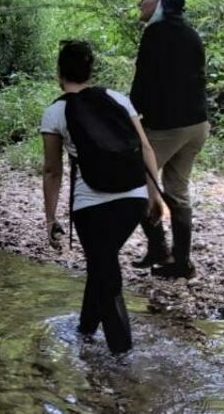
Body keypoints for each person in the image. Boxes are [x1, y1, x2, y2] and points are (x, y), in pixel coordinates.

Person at [40, 40, 165, 354]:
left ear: (59, 72)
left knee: (105, 272)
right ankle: (85, 330)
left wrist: (51, 219)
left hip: (91, 205)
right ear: (91, 70)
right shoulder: (117, 98)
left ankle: (122, 359)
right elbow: (145, 148)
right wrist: (154, 195)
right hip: (134, 197)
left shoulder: (55, 111)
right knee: (101, 264)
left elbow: (52, 171)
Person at [130, 0, 209, 279]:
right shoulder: (191, 33)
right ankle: (182, 262)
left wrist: (131, 115)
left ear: (161, 1)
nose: (140, 2)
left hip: (168, 128)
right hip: (197, 125)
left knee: (134, 182)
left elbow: (144, 81)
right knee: (177, 191)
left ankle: (158, 248)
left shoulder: (155, 33)